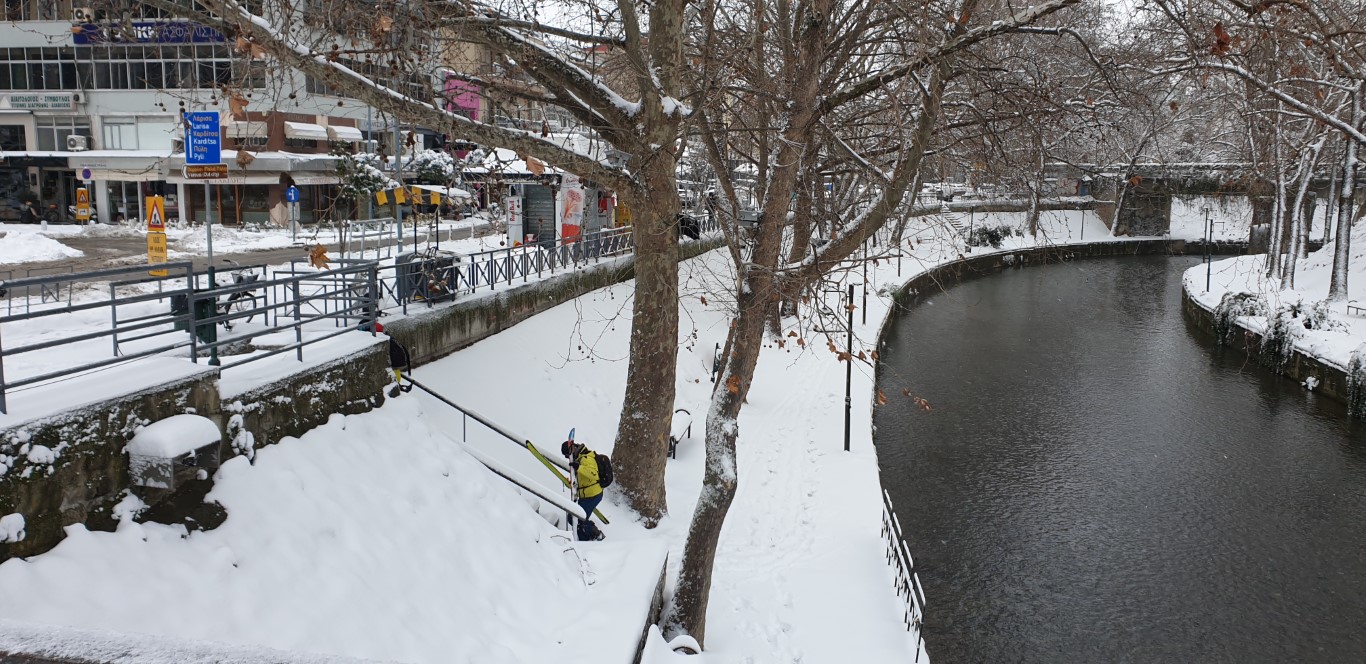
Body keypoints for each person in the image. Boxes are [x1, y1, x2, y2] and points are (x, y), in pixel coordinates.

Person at [561, 438, 606, 541]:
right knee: (575, 518)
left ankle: (593, 536)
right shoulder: (580, 457)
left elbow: (593, 474)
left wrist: (579, 467)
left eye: (567, 455)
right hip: (587, 495)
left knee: (577, 519)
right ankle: (589, 533)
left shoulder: (585, 458)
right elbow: (583, 478)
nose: (567, 458)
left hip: (592, 495)